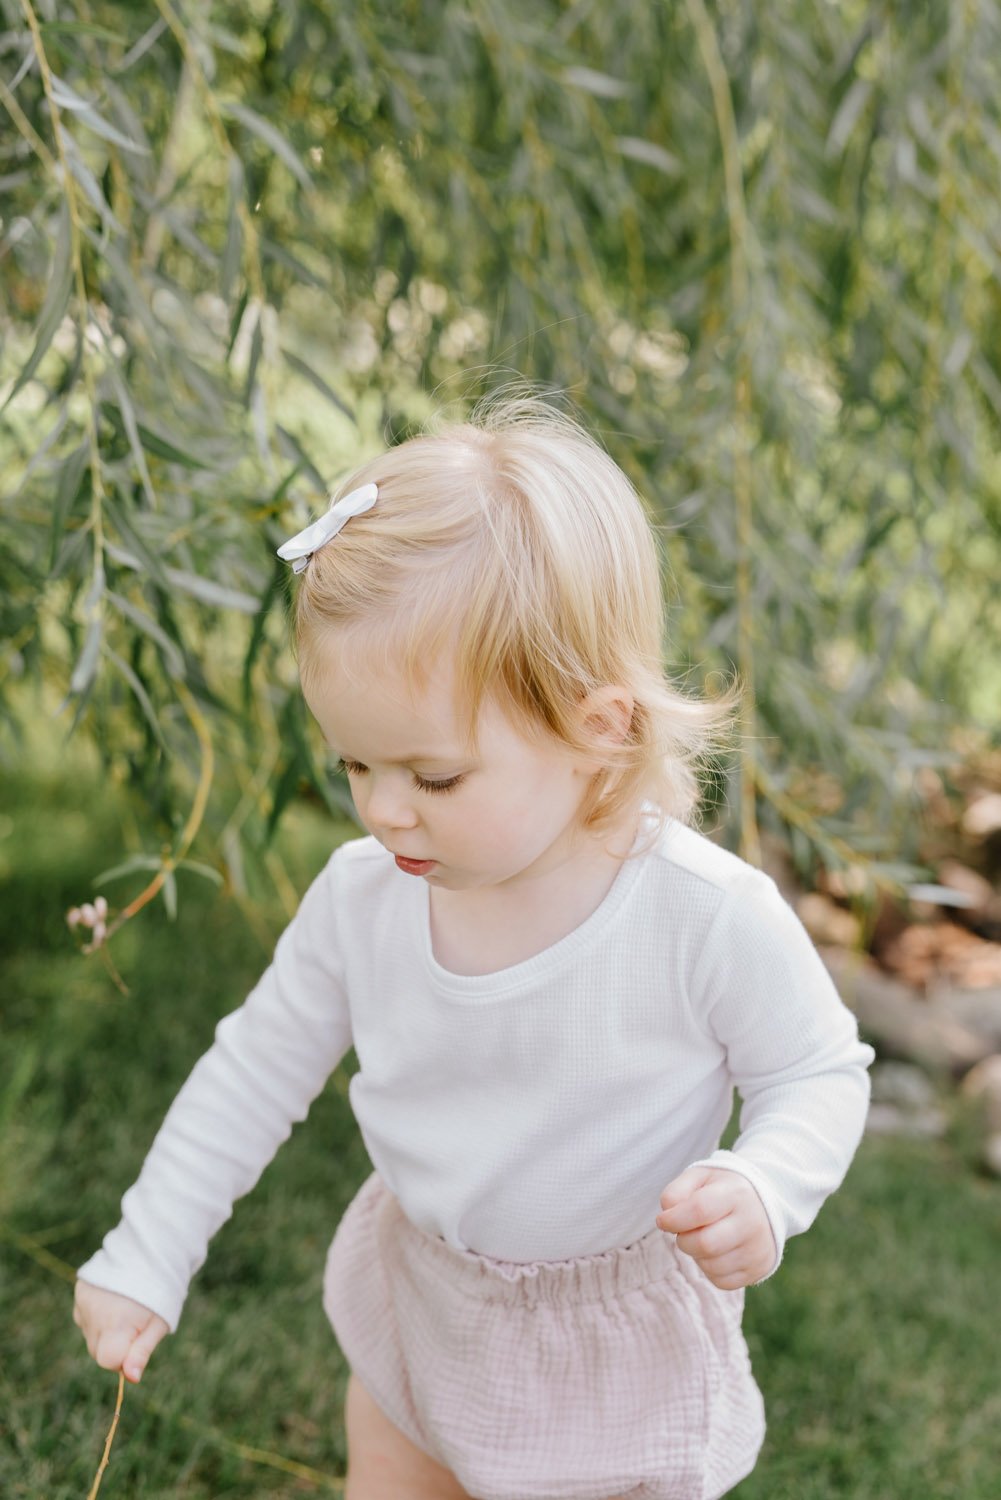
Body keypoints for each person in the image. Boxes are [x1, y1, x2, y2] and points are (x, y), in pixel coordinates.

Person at [74, 393, 875, 1500]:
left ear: (598, 731)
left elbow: (815, 1071)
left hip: (611, 1352)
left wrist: (764, 1181)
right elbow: (252, 1071)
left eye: (432, 776)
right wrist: (148, 1250)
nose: (384, 812)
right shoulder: (365, 899)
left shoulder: (700, 913)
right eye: (355, 767)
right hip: (426, 1300)